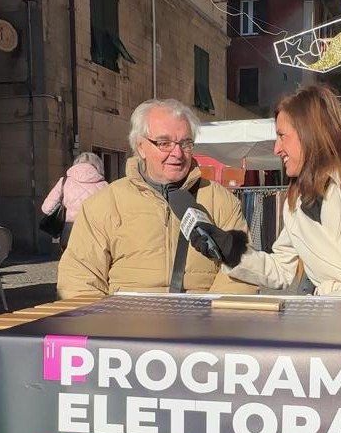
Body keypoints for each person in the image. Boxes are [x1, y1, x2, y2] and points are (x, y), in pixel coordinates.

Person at [208, 85, 341, 296]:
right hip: (326, 322)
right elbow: (281, 269)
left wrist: (328, 294)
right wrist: (230, 251)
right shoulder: (295, 203)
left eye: (282, 136)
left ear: (311, 135)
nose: (276, 149)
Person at [56, 99, 258, 297]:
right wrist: (107, 324)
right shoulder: (104, 203)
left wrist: (212, 320)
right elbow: (78, 278)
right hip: (125, 324)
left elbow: (242, 270)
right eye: (164, 143)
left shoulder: (221, 201)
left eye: (185, 143)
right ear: (141, 147)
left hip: (202, 322)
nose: (177, 153)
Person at [41, 152, 108, 250]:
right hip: (97, 236)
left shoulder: (64, 182)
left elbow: (46, 208)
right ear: (98, 166)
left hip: (70, 234)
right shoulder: (104, 186)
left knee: (70, 264)